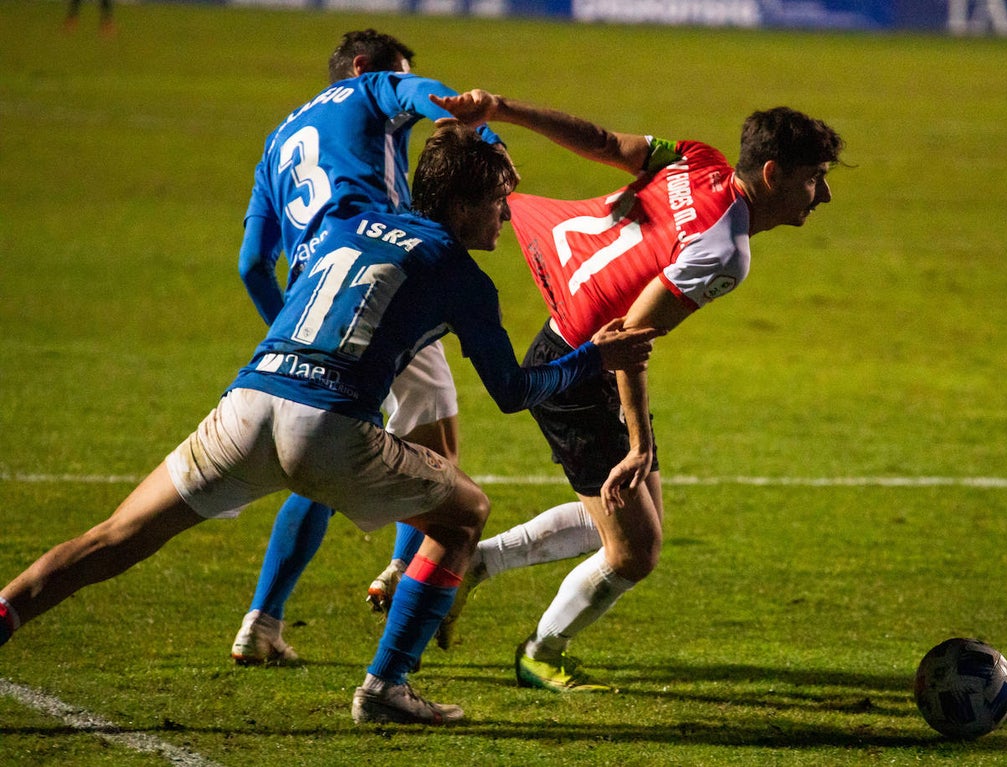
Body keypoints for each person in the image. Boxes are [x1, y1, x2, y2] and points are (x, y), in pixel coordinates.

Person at [0, 121, 656, 726]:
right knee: (464, 513)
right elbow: (513, 391)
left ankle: (8, 608)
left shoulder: (351, 223)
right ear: (460, 205)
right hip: (327, 426)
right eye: (497, 200)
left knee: (116, 536)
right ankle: (386, 687)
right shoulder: (463, 276)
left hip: (248, 402)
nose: (507, 214)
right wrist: (593, 358)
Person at [426, 88, 844, 691]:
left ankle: (474, 563)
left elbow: (603, 143)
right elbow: (629, 337)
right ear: (774, 174)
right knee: (634, 553)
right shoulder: (724, 252)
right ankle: (541, 654)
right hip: (576, 370)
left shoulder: (698, 159)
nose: (824, 195)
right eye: (814, 179)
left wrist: (503, 108)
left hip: (584, 355)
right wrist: (639, 443)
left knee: (634, 519)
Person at [230, 29, 531, 666]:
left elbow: (253, 263)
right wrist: (468, 121)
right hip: (383, 280)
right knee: (436, 458)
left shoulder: (278, 141)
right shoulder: (366, 93)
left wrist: (293, 335)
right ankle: (401, 586)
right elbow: (425, 96)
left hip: (313, 307)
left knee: (321, 459)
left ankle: (263, 619)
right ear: (365, 68)